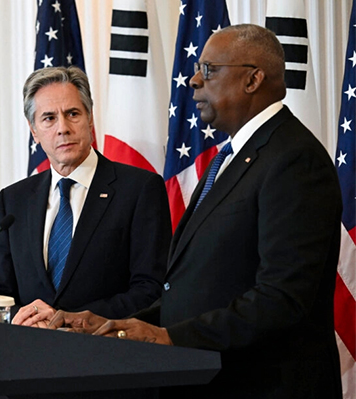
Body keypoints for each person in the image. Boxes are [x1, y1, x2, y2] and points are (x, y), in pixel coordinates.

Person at [50, 25, 343, 398]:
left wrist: (171, 337)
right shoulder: (234, 158)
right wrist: (119, 325)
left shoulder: (294, 159)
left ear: (253, 79)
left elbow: (281, 298)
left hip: (264, 386)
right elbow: (197, 289)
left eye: (210, 69)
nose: (193, 80)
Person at [0, 66, 171, 327]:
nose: (63, 128)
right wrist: (20, 318)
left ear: (90, 118)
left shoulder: (139, 189)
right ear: (33, 130)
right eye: (48, 118)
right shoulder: (13, 200)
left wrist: (71, 321)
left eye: (72, 114)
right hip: (29, 356)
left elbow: (150, 289)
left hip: (106, 354)